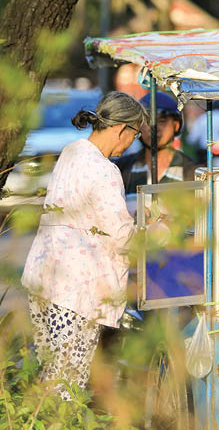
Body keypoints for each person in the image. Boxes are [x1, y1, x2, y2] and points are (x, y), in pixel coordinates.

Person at [21, 92, 147, 399]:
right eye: (134, 135)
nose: (131, 143)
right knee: (67, 384)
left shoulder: (72, 151)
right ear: (121, 129)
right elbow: (120, 235)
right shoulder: (105, 170)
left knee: (50, 374)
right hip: (76, 292)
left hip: (44, 279)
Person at [115, 92, 197, 194]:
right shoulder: (122, 168)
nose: (154, 128)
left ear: (176, 125)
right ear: (138, 126)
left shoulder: (191, 171)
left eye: (162, 121)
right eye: (148, 121)